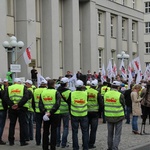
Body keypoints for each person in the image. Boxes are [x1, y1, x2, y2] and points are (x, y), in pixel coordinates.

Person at [4, 78, 29, 146]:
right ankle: (22, 141)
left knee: (12, 124)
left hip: (12, 109)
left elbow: (6, 97)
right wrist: (19, 105)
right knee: (22, 125)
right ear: (19, 82)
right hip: (21, 108)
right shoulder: (23, 87)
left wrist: (12, 105)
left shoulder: (9, 88)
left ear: (14, 82)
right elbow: (26, 97)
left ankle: (11, 141)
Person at [39, 79, 61, 150]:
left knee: (45, 131)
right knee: (53, 131)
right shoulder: (56, 92)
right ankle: (52, 147)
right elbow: (57, 104)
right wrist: (50, 112)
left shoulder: (43, 93)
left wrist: (45, 112)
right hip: (54, 114)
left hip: (45, 114)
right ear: (53, 84)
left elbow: (40, 104)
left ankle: (45, 147)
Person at [67, 80, 89, 150]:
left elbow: (69, 102)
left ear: (75, 86)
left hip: (74, 114)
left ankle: (75, 147)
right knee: (85, 132)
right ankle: (85, 147)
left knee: (74, 132)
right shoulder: (86, 93)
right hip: (84, 114)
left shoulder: (72, 94)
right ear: (82, 86)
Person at [104, 81, 125, 150]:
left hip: (108, 116)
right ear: (118, 87)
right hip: (118, 116)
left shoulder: (106, 94)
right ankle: (115, 148)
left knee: (110, 134)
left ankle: (109, 147)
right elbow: (123, 104)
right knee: (117, 134)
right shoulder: (120, 95)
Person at [87, 79, 103, 149]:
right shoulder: (97, 93)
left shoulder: (85, 92)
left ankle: (85, 143)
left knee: (86, 129)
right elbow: (101, 104)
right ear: (96, 86)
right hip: (95, 112)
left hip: (86, 112)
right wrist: (100, 112)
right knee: (93, 129)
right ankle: (91, 144)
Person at [56, 77, 71, 148]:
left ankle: (57, 142)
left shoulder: (56, 91)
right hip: (65, 110)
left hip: (58, 111)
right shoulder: (69, 92)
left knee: (57, 127)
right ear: (66, 84)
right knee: (65, 127)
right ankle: (63, 143)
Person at [34, 80, 47, 145]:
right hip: (45, 111)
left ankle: (38, 141)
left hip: (37, 111)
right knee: (46, 127)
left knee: (38, 127)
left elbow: (33, 101)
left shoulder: (36, 90)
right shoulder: (46, 90)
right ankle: (45, 140)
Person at [0, 79, 8, 145]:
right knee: (1, 125)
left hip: (2, 109)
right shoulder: (3, 90)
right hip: (2, 109)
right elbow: (5, 99)